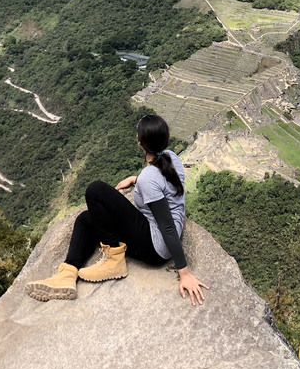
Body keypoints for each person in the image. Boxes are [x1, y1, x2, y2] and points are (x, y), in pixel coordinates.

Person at [26, 114, 209, 305]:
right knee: (86, 220)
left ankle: (114, 260)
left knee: (95, 190)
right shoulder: (171, 157)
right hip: (153, 232)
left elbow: (168, 227)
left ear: (140, 142)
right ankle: (67, 274)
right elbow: (163, 185)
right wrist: (135, 179)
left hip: (155, 246)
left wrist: (185, 273)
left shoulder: (149, 178)